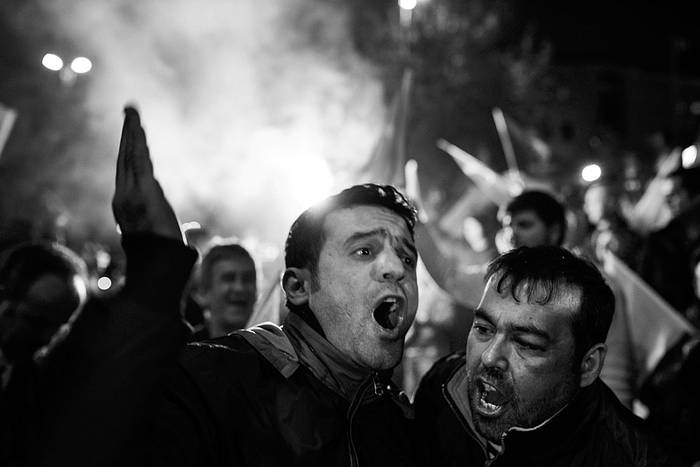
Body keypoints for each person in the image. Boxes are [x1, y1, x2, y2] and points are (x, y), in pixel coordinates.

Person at [414, 246, 676, 466]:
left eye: (526, 344)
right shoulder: (444, 385)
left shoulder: (629, 458)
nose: (491, 357)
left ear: (587, 365)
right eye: (483, 329)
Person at [194, 242, 257, 338]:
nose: (239, 288)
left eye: (247, 279)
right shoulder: (182, 348)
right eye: (229, 278)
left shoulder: (272, 349)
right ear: (204, 291)